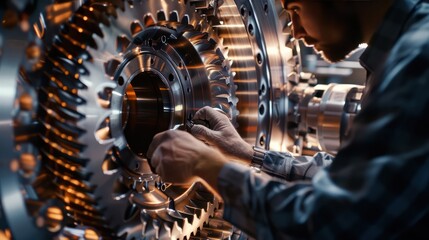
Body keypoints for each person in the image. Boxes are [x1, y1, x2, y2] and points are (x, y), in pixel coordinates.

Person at [147, 0, 429, 238]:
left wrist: (205, 166)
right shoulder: (405, 49)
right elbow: (356, 182)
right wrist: (248, 154)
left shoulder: (418, 61)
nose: (295, 31)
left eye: (295, 9)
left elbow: (337, 223)